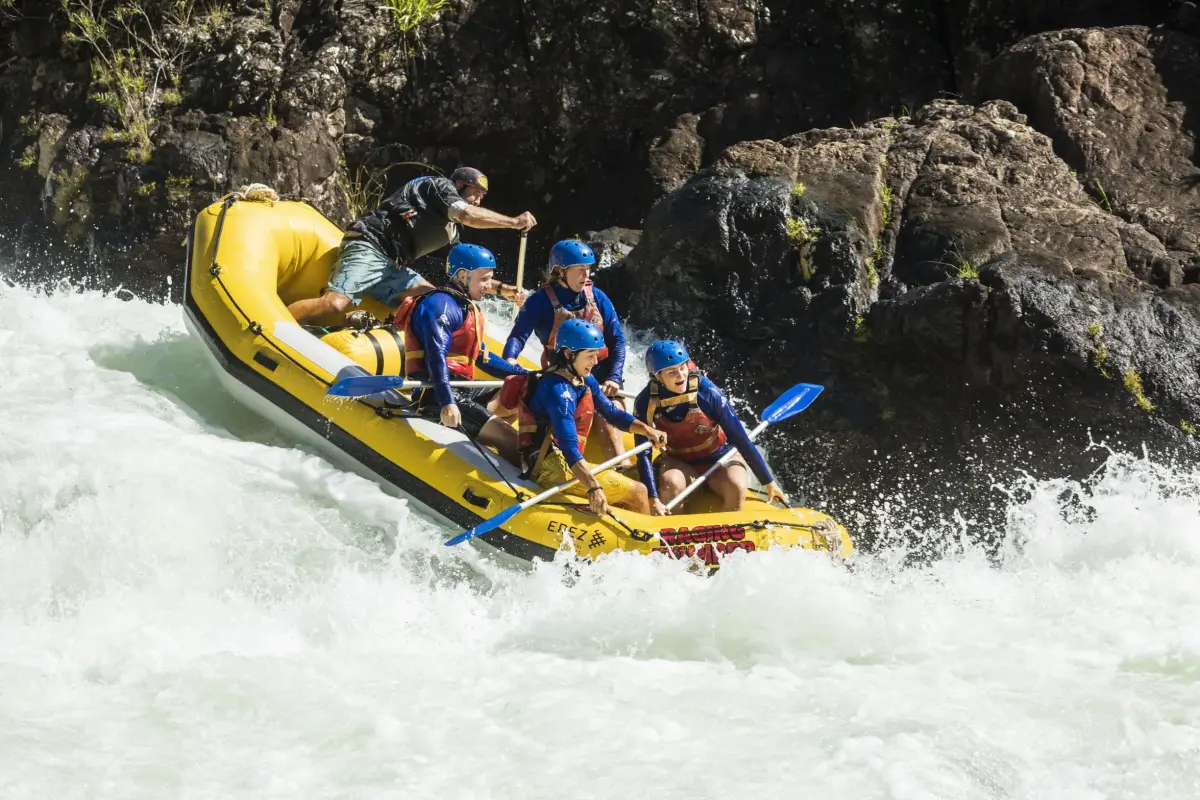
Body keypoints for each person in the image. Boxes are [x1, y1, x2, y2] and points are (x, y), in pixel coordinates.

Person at [288, 167, 535, 324]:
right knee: (334, 304)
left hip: (393, 267)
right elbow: (469, 214)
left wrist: (506, 290)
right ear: (459, 185)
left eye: (483, 196)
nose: (479, 200)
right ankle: (275, 326)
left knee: (435, 300)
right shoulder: (438, 187)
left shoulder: (450, 231)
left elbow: (467, 275)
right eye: (476, 192)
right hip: (370, 245)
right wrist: (514, 222)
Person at [517, 319, 667, 517]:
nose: (595, 362)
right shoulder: (558, 391)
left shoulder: (583, 378)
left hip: (564, 458)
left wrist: (647, 430)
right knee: (639, 491)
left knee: (639, 474)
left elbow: (611, 413)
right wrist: (593, 487)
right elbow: (569, 447)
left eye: (596, 355)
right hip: (548, 466)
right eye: (590, 356)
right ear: (569, 355)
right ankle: (648, 540)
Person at [497, 239, 629, 462]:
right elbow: (518, 336)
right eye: (579, 270)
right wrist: (510, 358)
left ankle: (622, 464)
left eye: (588, 269)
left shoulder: (598, 297)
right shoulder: (539, 302)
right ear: (560, 271)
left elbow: (617, 340)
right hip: (561, 378)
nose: (586, 276)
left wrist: (614, 377)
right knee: (524, 396)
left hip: (602, 376)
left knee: (609, 410)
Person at [395, 243, 528, 463]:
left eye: (490, 279)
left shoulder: (463, 306)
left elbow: (481, 356)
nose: (488, 286)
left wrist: (527, 375)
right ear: (463, 275)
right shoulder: (441, 305)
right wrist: (448, 402)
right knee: (515, 442)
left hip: (463, 390)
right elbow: (435, 356)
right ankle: (508, 448)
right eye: (483, 279)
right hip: (435, 395)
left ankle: (489, 441)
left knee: (522, 388)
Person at [634, 340, 788, 515]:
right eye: (672, 372)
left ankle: (731, 532)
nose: (681, 376)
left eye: (682, 368)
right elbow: (643, 452)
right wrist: (652, 497)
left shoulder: (708, 393)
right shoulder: (645, 402)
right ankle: (675, 531)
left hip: (721, 458)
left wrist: (768, 481)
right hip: (679, 461)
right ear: (657, 376)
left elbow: (739, 437)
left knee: (735, 486)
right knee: (670, 483)